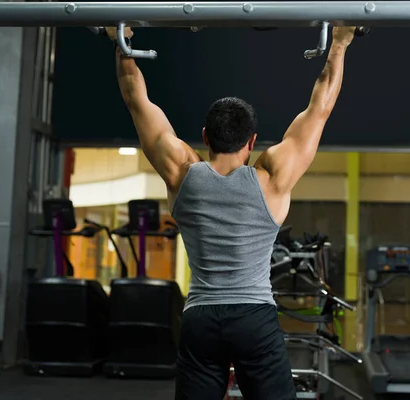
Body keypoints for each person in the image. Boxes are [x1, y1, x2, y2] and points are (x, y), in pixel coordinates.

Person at [106, 25, 356, 400]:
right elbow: (320, 107)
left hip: (201, 320)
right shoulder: (271, 177)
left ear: (205, 137)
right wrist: (340, 43)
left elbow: (134, 99)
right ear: (252, 141)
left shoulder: (181, 171)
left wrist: (121, 43)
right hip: (253, 318)